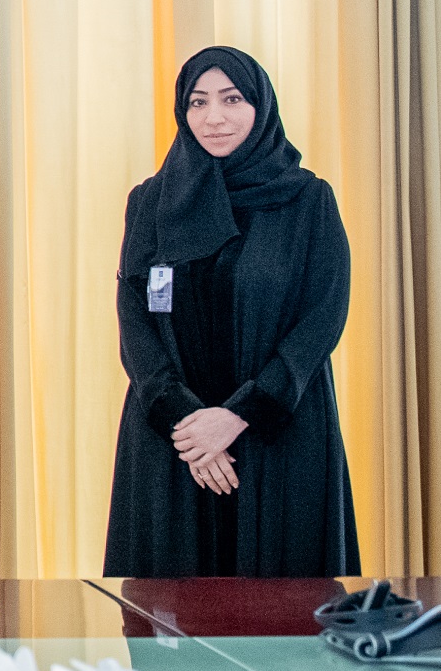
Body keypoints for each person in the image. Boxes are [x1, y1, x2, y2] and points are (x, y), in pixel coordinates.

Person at [103, 47, 357, 576]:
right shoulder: (150, 202)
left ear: (260, 106)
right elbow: (135, 317)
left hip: (278, 435)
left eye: (232, 99)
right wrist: (185, 423)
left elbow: (322, 317)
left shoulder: (308, 201)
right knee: (168, 609)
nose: (213, 117)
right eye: (197, 102)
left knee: (283, 609)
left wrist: (240, 414)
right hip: (174, 441)